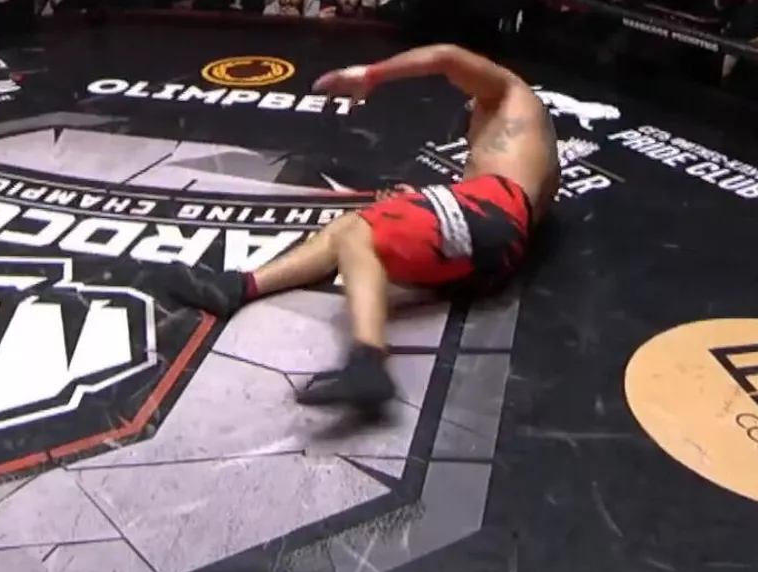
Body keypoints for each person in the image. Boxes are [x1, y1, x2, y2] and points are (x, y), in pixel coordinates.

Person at [158, 44, 560, 412]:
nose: (468, 109)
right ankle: (238, 288)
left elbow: (447, 57)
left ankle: (368, 359)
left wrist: (371, 75)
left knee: (361, 233)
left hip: (491, 211)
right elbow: (501, 224)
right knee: (347, 226)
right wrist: (423, 207)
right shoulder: (531, 146)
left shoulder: (508, 91)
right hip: (493, 250)